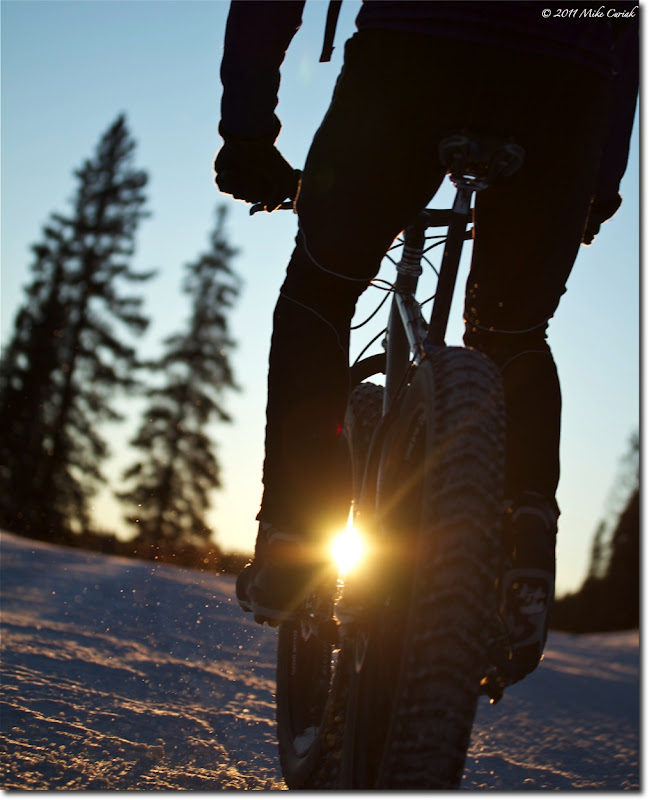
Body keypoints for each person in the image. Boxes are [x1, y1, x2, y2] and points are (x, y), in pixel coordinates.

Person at [214, 0, 638, 685]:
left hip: (413, 51)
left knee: (321, 291)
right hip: (565, 80)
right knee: (513, 333)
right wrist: (599, 179)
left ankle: (296, 535)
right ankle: (523, 548)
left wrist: (247, 132)